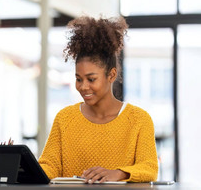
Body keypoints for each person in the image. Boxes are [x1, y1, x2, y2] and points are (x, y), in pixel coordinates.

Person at [38, 15, 158, 183]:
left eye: (91, 79)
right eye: (79, 79)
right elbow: (49, 166)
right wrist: (21, 169)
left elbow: (149, 168)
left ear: (111, 75)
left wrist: (118, 173)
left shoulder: (139, 119)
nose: (83, 86)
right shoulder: (65, 118)